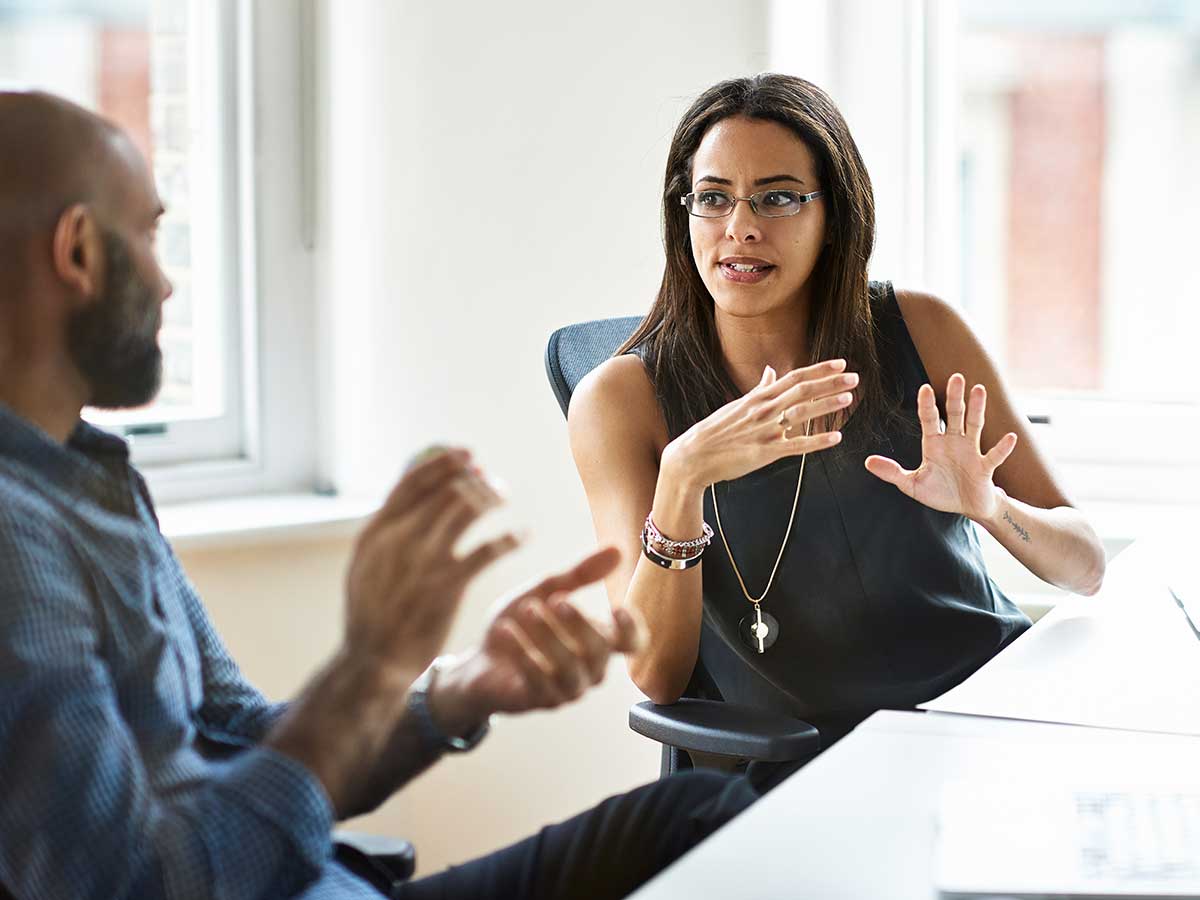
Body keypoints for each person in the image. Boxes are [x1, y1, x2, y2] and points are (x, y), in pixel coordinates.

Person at [0, 91, 758, 900]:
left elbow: (255, 747)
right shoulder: (16, 537)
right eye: (149, 236)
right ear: (78, 252)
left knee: (706, 814)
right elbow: (134, 886)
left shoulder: (92, 478)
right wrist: (370, 661)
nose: (165, 284)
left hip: (332, 883)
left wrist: (463, 687)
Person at [568, 73, 1107, 788]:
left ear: (836, 214)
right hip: (807, 770)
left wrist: (993, 510)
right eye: (713, 197)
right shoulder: (620, 399)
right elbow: (656, 677)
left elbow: (1088, 567)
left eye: (779, 196)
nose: (741, 227)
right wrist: (683, 478)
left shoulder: (923, 328)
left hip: (986, 728)